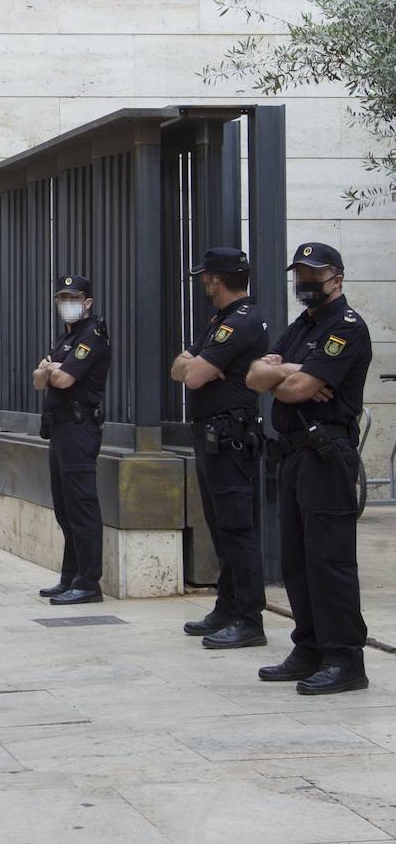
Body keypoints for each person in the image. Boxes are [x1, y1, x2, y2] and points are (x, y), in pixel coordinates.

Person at [248, 242, 372, 695]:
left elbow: (296, 387)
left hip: (327, 453)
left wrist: (286, 374)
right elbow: (254, 377)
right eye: (299, 273)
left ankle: (345, 659)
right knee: (296, 558)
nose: (304, 282)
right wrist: (289, 372)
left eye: (313, 273)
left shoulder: (347, 327)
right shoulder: (301, 326)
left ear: (336, 277)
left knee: (329, 560)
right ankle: (310, 646)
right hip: (295, 453)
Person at [169, 248, 269, 650]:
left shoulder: (242, 322)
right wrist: (195, 363)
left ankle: (250, 618)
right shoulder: (220, 321)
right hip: (212, 435)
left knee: (237, 528)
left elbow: (190, 377)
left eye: (206, 277)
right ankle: (227, 607)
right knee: (220, 526)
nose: (203, 284)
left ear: (218, 279)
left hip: (231, 437)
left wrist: (195, 364)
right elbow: (181, 367)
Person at [32, 275, 111, 606]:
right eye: (62, 298)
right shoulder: (66, 338)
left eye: (73, 297)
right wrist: (49, 371)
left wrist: (51, 371)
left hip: (79, 429)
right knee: (65, 508)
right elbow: (39, 380)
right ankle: (70, 577)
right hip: (60, 430)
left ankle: (89, 582)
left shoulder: (92, 335)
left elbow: (61, 379)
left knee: (82, 507)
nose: (66, 303)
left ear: (88, 302)